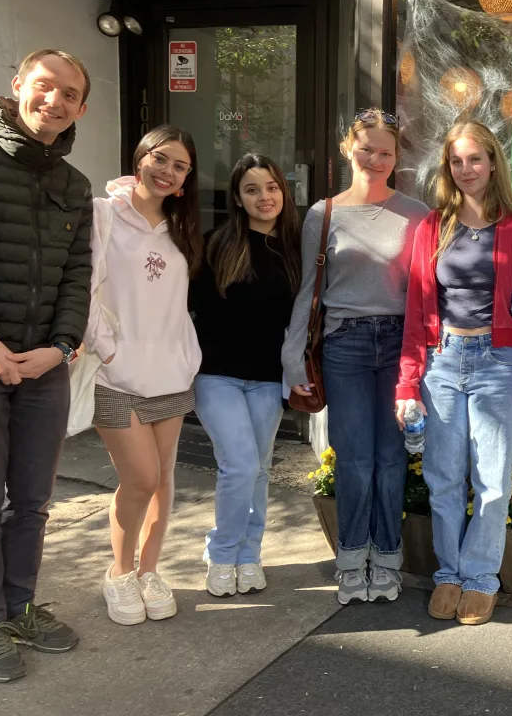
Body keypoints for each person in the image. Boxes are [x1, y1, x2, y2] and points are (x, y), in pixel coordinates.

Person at [0, 49, 92, 682]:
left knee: (32, 502)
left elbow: (78, 277)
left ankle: (21, 606)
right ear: (17, 87)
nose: (54, 102)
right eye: (44, 87)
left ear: (81, 108)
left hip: (44, 367)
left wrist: (60, 347)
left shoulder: (75, 185)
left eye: (69, 94)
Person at [395, 120, 512, 626]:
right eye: (456, 161)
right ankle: (449, 573)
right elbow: (417, 311)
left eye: (475, 160)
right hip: (442, 362)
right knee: (443, 478)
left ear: (493, 163)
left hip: (500, 364)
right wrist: (407, 380)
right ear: (448, 167)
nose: (466, 170)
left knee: (491, 480)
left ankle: (482, 578)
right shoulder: (432, 227)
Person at [283, 109, 429, 606]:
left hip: (398, 345)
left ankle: (387, 559)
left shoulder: (416, 213)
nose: (374, 159)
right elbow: (310, 289)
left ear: (396, 157)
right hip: (343, 344)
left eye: (385, 151)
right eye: (366, 148)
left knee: (391, 459)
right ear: (348, 149)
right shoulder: (323, 215)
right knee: (353, 459)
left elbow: (426, 292)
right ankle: (351, 562)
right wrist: (293, 359)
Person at [83, 125, 203, 626]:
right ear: (141, 158)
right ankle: (119, 571)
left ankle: (149, 570)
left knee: (164, 480)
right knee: (140, 478)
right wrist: (106, 352)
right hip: (115, 378)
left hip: (170, 376)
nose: (167, 171)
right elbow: (83, 289)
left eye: (179, 166)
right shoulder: (102, 214)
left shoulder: (182, 227)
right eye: (161, 158)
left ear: (185, 180)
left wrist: (185, 354)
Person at [191, 153, 301, 597]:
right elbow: (185, 309)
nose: (264, 197)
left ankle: (249, 555)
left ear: (283, 191)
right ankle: (222, 554)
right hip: (216, 375)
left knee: (257, 470)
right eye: (252, 189)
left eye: (271, 187)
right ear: (237, 198)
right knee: (239, 465)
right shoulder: (215, 244)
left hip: (268, 378)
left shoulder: (295, 250)